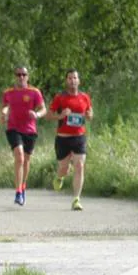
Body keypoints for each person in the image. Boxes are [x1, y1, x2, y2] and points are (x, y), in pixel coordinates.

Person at [1, 65, 47, 206]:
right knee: (19, 156)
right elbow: (4, 106)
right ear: (14, 76)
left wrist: (37, 114)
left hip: (30, 130)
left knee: (26, 160)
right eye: (18, 74)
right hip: (13, 128)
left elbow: (43, 109)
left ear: (27, 77)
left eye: (23, 74)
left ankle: (23, 185)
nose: (21, 77)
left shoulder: (34, 92)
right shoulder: (8, 92)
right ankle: (18, 192)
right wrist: (4, 113)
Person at [49, 69, 93, 210]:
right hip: (63, 138)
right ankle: (60, 177)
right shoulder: (60, 98)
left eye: (75, 78)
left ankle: (76, 199)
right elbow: (48, 115)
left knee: (79, 165)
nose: (72, 80)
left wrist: (89, 115)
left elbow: (90, 113)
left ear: (79, 81)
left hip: (79, 137)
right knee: (64, 168)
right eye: (70, 78)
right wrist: (60, 115)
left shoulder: (85, 97)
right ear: (66, 81)